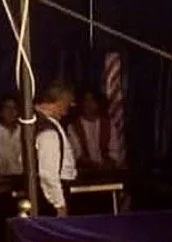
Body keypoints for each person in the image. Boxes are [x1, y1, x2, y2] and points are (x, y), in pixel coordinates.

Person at [34, 80, 78, 216]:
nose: (68, 108)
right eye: (68, 103)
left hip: (48, 192)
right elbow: (48, 173)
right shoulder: (47, 130)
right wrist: (59, 204)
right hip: (50, 197)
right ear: (60, 102)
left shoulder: (35, 121)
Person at [68, 88, 123, 171]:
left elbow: (114, 150)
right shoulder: (74, 126)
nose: (88, 104)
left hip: (108, 172)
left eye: (91, 100)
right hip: (85, 172)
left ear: (98, 103)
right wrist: (95, 165)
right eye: (85, 100)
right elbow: (77, 154)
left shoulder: (108, 124)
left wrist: (108, 164)